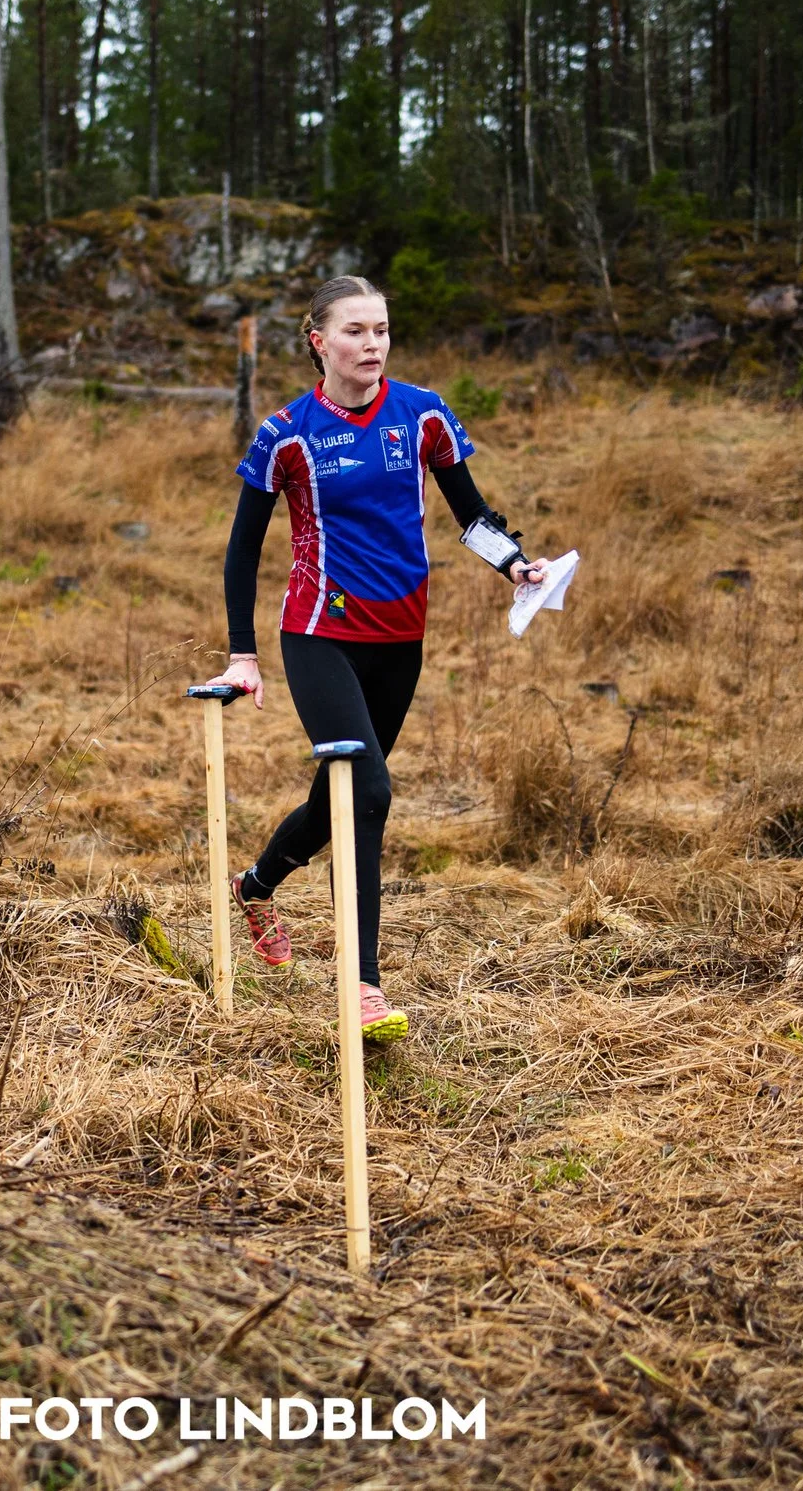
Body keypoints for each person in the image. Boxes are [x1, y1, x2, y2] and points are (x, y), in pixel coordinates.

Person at [207, 275, 551, 1042]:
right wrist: (243, 654)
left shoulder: (422, 412)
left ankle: (256, 885)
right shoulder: (286, 432)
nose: (372, 344)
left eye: (382, 330)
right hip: (319, 635)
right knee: (370, 790)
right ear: (318, 340)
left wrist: (516, 564)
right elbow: (241, 551)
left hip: (401, 639)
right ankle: (362, 985)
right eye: (356, 331)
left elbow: (471, 514)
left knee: (345, 797)